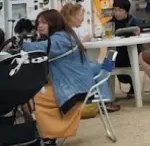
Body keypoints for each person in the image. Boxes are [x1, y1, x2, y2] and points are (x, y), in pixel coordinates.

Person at [23, 9, 115, 138]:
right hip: (74, 83)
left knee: (27, 99)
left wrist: (18, 42)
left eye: (44, 22)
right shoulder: (64, 35)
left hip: (74, 88)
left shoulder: (61, 39)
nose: (40, 26)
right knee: (29, 95)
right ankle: (41, 133)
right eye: (38, 23)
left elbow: (42, 48)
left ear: (54, 23)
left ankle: (44, 135)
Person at [109, 0, 144, 98]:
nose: (117, 13)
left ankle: (134, 86)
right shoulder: (110, 24)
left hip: (132, 53)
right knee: (105, 66)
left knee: (130, 62)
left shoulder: (135, 22)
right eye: (115, 10)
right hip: (115, 53)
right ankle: (108, 95)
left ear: (126, 11)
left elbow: (142, 33)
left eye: (120, 10)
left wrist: (138, 32)